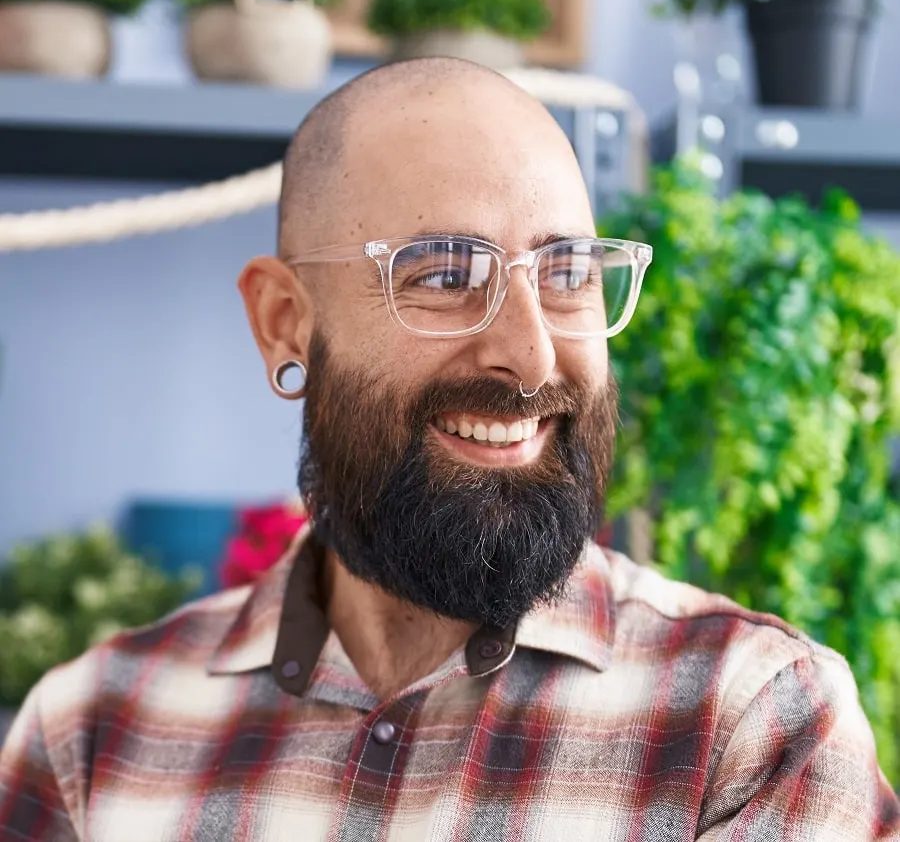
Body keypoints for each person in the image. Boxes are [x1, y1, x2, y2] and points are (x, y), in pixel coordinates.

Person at [0, 57, 897, 842]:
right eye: (443, 274)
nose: (533, 352)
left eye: (569, 273)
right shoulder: (90, 735)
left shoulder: (755, 726)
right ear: (285, 325)